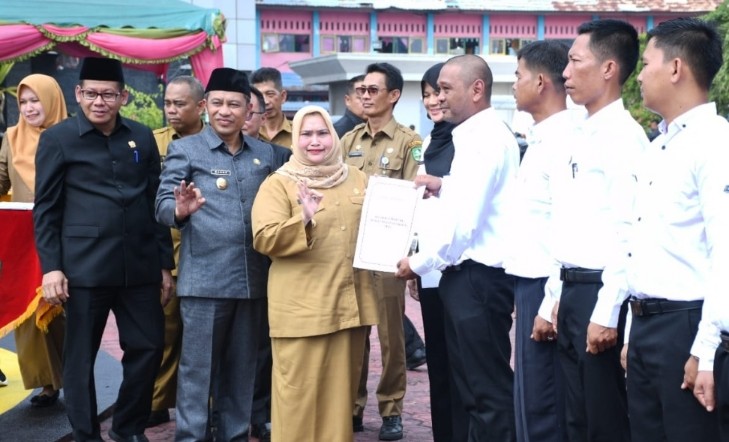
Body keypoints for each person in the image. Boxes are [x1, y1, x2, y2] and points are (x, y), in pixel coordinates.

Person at [591, 17, 727, 441]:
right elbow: (638, 244)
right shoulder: (659, 147)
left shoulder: (714, 143)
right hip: (647, 323)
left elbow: (725, 250)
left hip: (689, 325)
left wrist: (706, 352)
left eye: (647, 63)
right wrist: (634, 331)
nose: (640, 74)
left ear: (675, 68)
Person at [33, 57, 174, 442]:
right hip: (83, 270)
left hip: (139, 267)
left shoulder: (141, 137)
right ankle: (86, 434)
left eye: (108, 94)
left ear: (123, 96)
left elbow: (153, 202)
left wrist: (165, 265)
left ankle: (128, 429)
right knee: (80, 359)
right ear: (78, 94)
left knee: (147, 348)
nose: (100, 101)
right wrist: (52, 267)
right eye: (91, 93)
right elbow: (46, 209)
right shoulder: (58, 139)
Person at [395, 54, 520, 442]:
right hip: (465, 278)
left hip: (477, 279)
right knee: (470, 389)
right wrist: (443, 186)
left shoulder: (484, 139)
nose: (438, 98)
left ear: (477, 89)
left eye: (446, 89)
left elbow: (464, 225)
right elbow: (471, 197)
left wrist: (417, 262)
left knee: (486, 393)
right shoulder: (468, 136)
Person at [537, 19, 649, 442]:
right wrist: (552, 299)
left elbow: (629, 232)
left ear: (608, 69)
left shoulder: (624, 138)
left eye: (574, 61)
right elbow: (567, 225)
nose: (564, 73)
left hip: (602, 293)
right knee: (575, 421)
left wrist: (605, 313)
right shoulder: (578, 132)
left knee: (603, 422)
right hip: (571, 289)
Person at [155, 67, 277, 442]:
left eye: (235, 105)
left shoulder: (267, 154)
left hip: (252, 280)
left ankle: (235, 435)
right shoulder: (185, 149)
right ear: (206, 106)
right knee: (197, 371)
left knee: (243, 369)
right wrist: (180, 211)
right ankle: (190, 437)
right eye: (219, 103)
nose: (226, 111)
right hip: (205, 281)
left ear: (249, 110)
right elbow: (161, 204)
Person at [251, 104, 377, 442]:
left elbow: (377, 230)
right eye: (306, 134)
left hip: (348, 308)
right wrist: (303, 217)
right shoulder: (279, 184)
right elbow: (264, 238)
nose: (315, 141)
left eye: (322, 133)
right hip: (301, 312)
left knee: (340, 402)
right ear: (295, 138)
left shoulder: (358, 178)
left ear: (333, 136)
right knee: (298, 401)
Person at [340, 62, 422, 441]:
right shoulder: (348, 141)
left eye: (374, 90)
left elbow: (414, 201)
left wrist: (413, 259)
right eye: (362, 90)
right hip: (352, 254)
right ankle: (353, 407)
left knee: (391, 338)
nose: (366, 96)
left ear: (393, 95)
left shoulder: (410, 142)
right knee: (353, 335)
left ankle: (391, 409)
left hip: (389, 256)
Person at [506, 40, 571, 442]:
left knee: (542, 404)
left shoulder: (564, 141)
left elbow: (569, 227)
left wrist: (551, 300)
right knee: (529, 401)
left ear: (541, 81)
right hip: (528, 283)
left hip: (546, 287)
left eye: (518, 76)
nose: (514, 85)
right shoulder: (541, 138)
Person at [406, 62, 468, 442]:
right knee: (440, 366)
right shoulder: (428, 143)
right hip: (431, 269)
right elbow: (421, 205)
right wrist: (415, 259)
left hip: (464, 269)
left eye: (440, 92)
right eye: (428, 94)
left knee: (466, 367)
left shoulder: (472, 140)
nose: (434, 100)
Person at [0, 73, 67, 408]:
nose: (28, 108)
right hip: (27, 243)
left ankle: (73, 377)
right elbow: (0, 179)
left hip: (69, 237)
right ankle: (46, 383)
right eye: (22, 102)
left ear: (52, 100)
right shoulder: (11, 138)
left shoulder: (75, 135)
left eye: (35, 100)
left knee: (64, 311)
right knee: (29, 317)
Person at [147, 75, 206, 428]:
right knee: (164, 335)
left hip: (206, 254)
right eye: (167, 103)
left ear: (200, 106)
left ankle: (208, 406)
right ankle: (156, 402)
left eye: (179, 103)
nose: (171, 110)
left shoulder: (218, 142)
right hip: (167, 252)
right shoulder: (151, 142)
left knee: (205, 340)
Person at [243, 84, 292, 442]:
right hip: (216, 268)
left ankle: (261, 415)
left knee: (262, 350)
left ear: (262, 117)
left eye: (249, 112)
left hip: (266, 265)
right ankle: (217, 416)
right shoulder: (196, 152)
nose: (241, 119)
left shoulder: (278, 156)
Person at [250, 67, 292, 148]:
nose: (265, 101)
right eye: (259, 96)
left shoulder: (299, 132)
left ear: (283, 96)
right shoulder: (247, 132)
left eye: (270, 94)